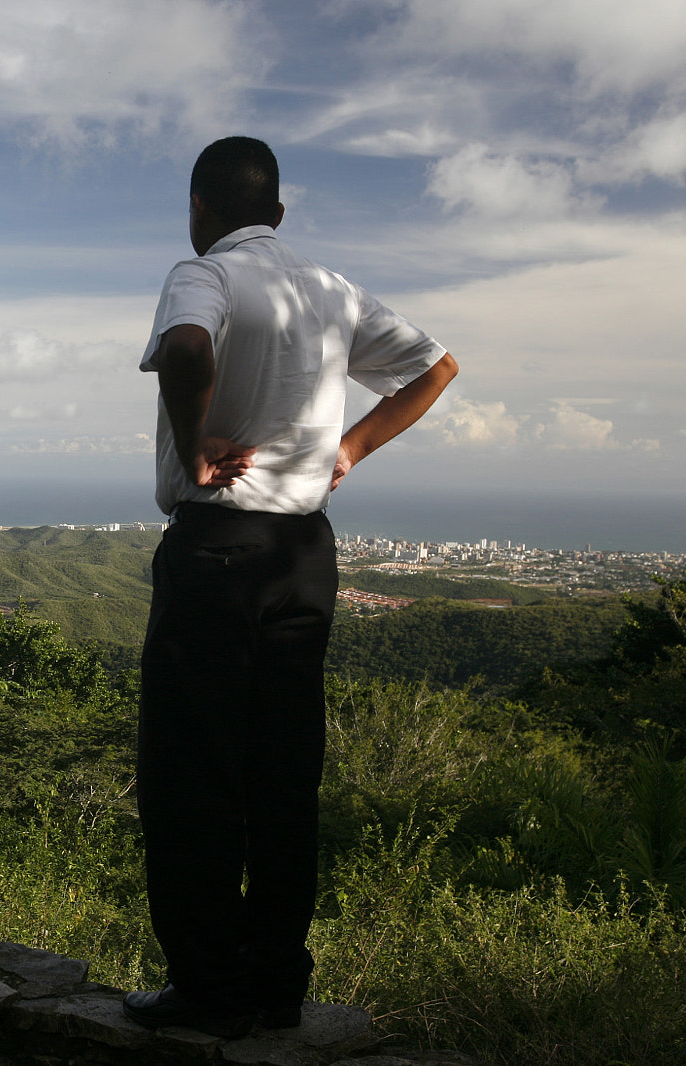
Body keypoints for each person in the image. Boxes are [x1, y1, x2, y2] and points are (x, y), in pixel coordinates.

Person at [123, 137, 458, 1038]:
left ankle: (205, 986)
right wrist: (349, 448)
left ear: (200, 208)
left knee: (190, 772)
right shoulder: (332, 290)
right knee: (282, 773)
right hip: (305, 555)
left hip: (218, 553)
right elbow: (436, 368)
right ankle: (275, 986)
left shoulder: (205, 276)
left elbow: (187, 349)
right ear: (277, 213)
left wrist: (195, 442)